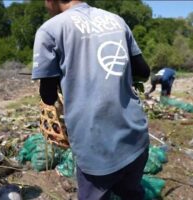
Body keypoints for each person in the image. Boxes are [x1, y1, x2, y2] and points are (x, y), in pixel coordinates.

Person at [32, 1, 150, 199]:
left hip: (96, 148)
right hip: (136, 137)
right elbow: (143, 71)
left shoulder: (50, 29)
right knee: (131, 192)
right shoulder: (117, 21)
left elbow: (48, 96)